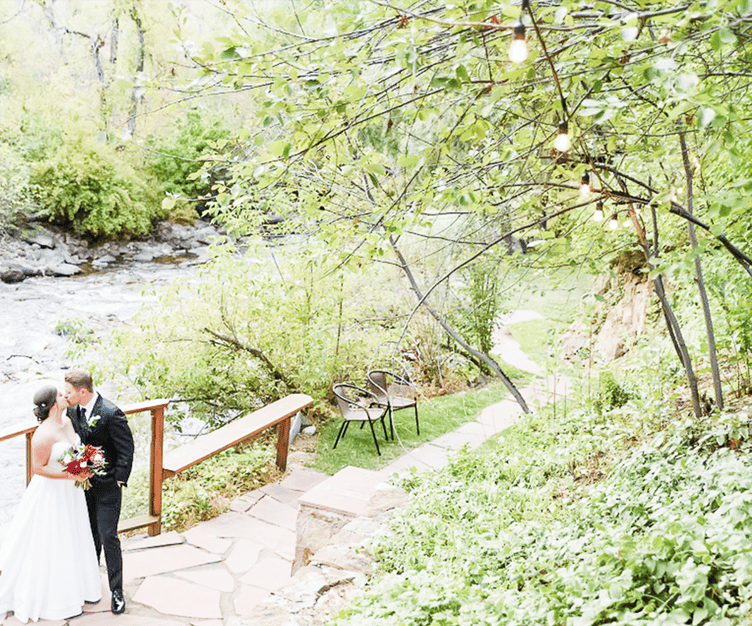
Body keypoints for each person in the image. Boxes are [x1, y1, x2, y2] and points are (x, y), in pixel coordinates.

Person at [0, 385, 102, 623]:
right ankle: (55, 598)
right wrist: (72, 475)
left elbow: (74, 450)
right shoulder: (43, 435)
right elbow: (38, 468)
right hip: (51, 492)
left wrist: (84, 464)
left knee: (73, 534)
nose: (65, 395)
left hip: (71, 492)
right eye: (59, 394)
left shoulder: (66, 421)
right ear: (52, 403)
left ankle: (80, 587)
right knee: (52, 537)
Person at [64, 369, 134, 615]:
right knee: (88, 535)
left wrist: (118, 480)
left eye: (69, 392)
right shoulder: (71, 411)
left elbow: (126, 450)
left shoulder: (110, 412)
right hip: (83, 487)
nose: (65, 395)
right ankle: (90, 584)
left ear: (83, 392)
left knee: (108, 536)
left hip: (107, 488)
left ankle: (117, 591)